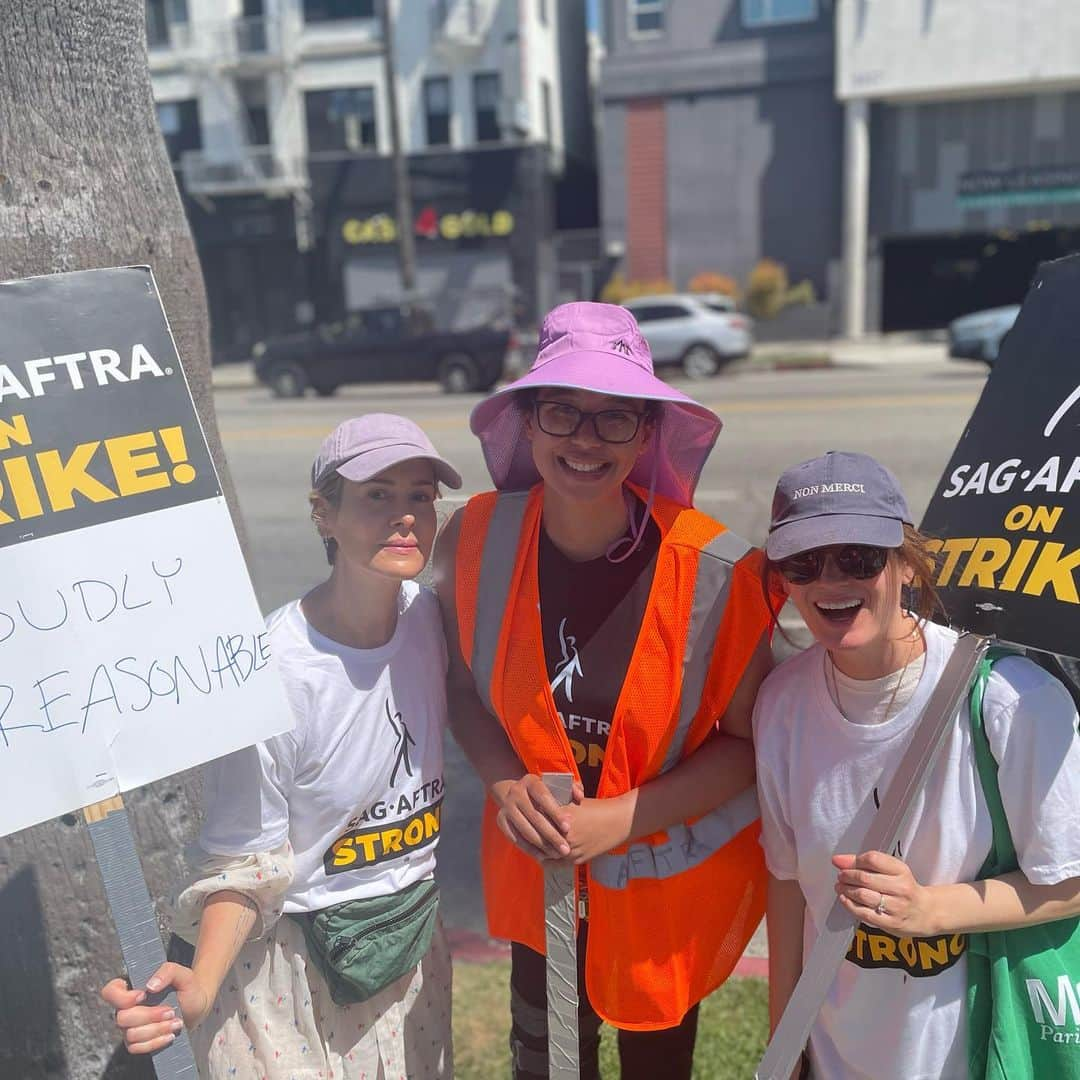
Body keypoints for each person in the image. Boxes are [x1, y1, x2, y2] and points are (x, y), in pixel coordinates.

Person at [434, 301, 774, 1079]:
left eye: (614, 419)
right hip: (537, 875)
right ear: (526, 422)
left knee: (657, 1064)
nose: (585, 441)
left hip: (657, 896)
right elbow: (463, 687)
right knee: (547, 1060)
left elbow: (747, 746)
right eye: (562, 412)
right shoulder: (476, 537)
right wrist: (504, 779)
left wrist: (619, 819)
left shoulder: (717, 571)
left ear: (648, 433)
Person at [101, 414, 461, 1080]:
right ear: (323, 514)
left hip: (410, 948)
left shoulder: (431, 620)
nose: (405, 514)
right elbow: (244, 865)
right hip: (295, 974)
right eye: (377, 495)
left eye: (419, 495)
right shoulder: (274, 673)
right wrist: (201, 985)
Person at [754, 450, 1080, 1079]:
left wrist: (932, 910)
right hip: (838, 1051)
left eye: (858, 557)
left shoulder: (1010, 699)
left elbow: (1070, 880)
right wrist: (786, 1041)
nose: (829, 581)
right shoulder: (781, 705)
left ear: (906, 564)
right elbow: (789, 885)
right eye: (803, 562)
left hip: (976, 1053)